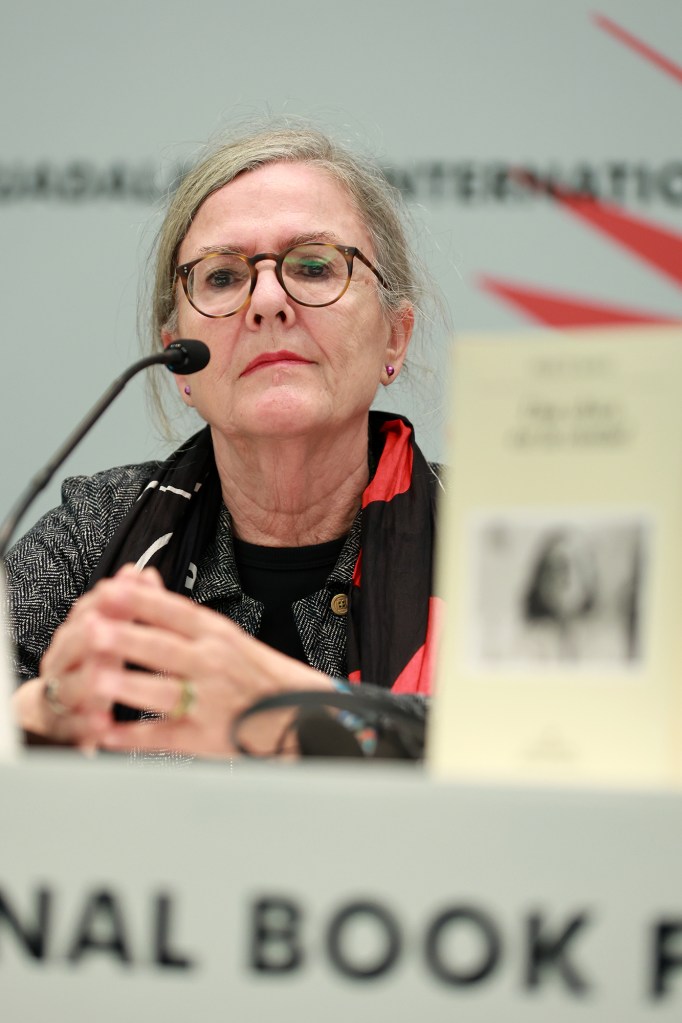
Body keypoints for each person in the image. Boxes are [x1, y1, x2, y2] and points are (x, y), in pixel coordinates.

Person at [7, 121, 442, 758]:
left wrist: (297, 713)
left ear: (394, 337)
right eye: (221, 278)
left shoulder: (488, 541)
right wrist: (44, 707)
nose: (266, 301)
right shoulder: (95, 536)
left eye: (314, 266)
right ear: (178, 360)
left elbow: (563, 746)